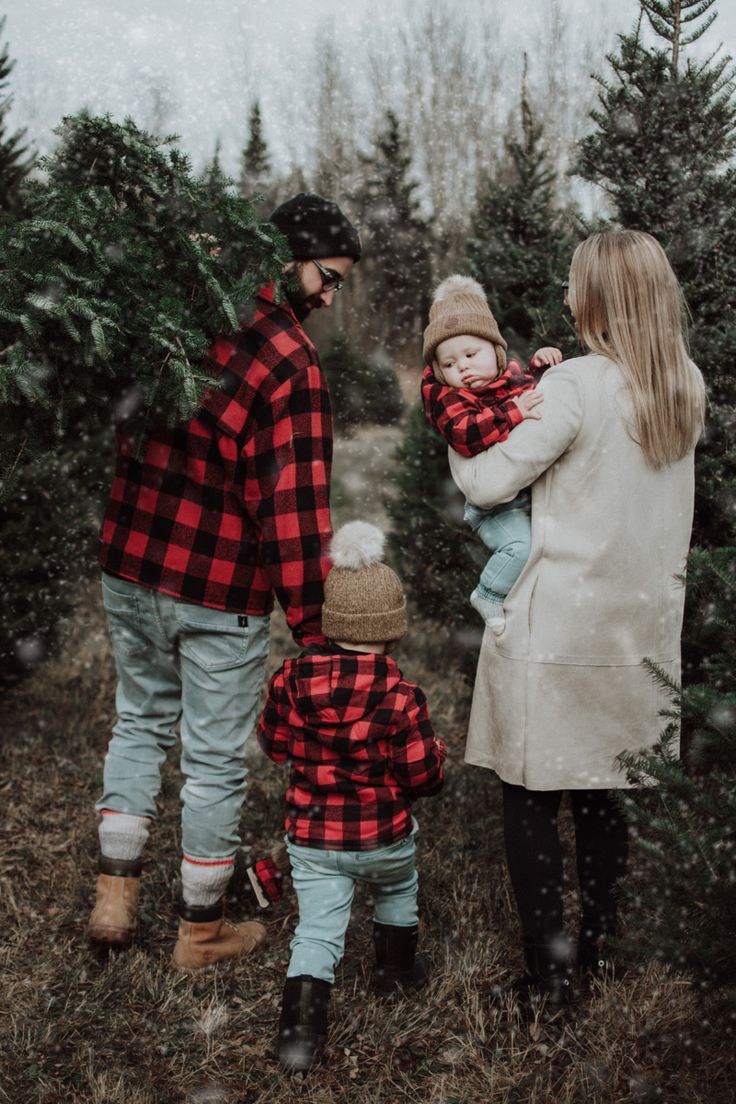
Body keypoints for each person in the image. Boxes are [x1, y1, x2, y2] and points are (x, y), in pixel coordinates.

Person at [88, 193, 362, 970]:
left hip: (131, 560)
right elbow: (294, 513)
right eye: (328, 277)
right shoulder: (289, 361)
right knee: (212, 759)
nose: (330, 297)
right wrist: (317, 630)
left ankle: (115, 900)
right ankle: (199, 931)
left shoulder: (177, 312)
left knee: (138, 720)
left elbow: (125, 419)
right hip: (216, 590)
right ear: (289, 258)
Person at [448, 230, 705, 1015]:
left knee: (530, 797)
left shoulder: (577, 387)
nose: (564, 296)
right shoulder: (683, 384)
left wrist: (458, 434)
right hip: (637, 634)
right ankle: (594, 954)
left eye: (573, 285)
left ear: (597, 298)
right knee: (605, 795)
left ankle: (547, 978)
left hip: (556, 630)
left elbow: (492, 483)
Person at [257, 520, 445, 1072]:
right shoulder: (403, 697)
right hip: (382, 836)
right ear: (392, 631)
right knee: (397, 889)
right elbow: (422, 781)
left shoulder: (290, 680)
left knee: (317, 931)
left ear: (330, 622)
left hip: (313, 839)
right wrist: (438, 758)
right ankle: (395, 975)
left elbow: (273, 744)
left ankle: (298, 1036)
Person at [421, 275, 560, 632]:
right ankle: (488, 593)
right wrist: (513, 413)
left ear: (496, 352)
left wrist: (542, 369)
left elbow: (532, 393)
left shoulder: (507, 375)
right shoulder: (447, 398)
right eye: (449, 364)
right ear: (438, 370)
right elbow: (466, 434)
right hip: (494, 509)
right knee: (520, 546)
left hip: (527, 494)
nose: (463, 368)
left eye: (471, 355)